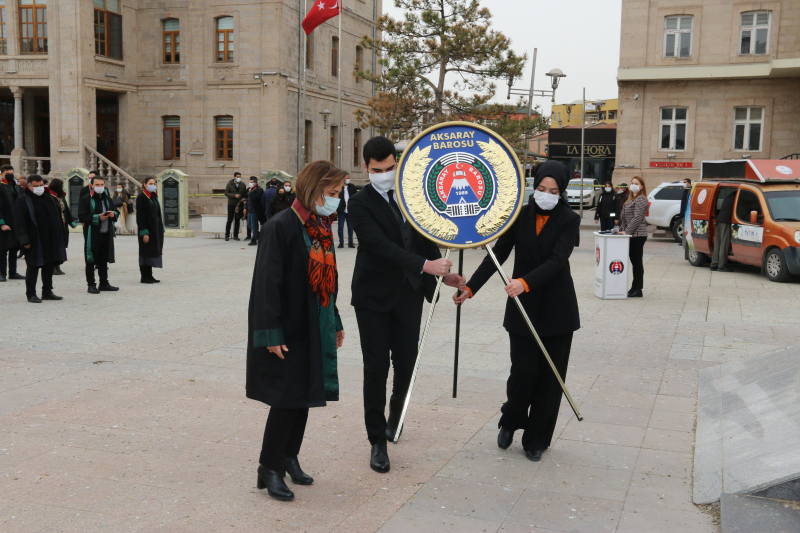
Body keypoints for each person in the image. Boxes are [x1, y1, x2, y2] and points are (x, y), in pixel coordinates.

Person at [349, 136, 463, 474]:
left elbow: (426, 240)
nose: (384, 174)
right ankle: (377, 442)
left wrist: (444, 275)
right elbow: (379, 245)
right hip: (373, 298)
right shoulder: (359, 203)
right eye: (376, 170)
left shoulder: (414, 198)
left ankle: (394, 421)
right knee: (376, 368)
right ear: (366, 168)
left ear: (397, 165)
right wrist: (425, 265)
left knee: (406, 363)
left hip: (410, 294)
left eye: (389, 168)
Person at [454, 160, 580, 462]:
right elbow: (496, 255)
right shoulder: (519, 216)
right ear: (533, 187)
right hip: (522, 308)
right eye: (540, 188)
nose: (546, 194)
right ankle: (510, 420)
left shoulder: (569, 219)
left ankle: (536, 438)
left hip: (556, 308)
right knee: (523, 373)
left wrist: (525, 282)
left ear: (561, 191)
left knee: (549, 379)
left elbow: (557, 260)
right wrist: (471, 288)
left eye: (553, 190)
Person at [247, 160, 347, 502]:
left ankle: (289, 457)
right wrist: (270, 334)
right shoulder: (281, 226)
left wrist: (335, 320)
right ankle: (269, 466)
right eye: (332, 193)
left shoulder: (319, 227)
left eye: (339, 193)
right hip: (287, 328)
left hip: (313, 323)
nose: (337, 199)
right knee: (286, 399)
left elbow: (327, 283)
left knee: (304, 395)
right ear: (313, 189)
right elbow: (266, 285)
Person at [12, 175, 67, 303]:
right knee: (33, 266)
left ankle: (47, 291)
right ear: (29, 187)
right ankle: (31, 294)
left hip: (50, 239)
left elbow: (58, 218)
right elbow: (19, 222)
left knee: (48, 265)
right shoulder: (23, 200)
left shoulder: (50, 198)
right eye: (36, 186)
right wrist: (24, 240)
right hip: (34, 239)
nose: (39, 188)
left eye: (41, 185)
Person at [78, 175, 119, 294]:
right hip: (93, 234)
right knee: (91, 260)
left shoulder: (107, 198)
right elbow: (82, 216)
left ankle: (104, 283)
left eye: (102, 185)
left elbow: (115, 210)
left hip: (106, 233)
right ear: (92, 186)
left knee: (103, 259)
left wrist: (113, 214)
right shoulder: (86, 199)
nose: (100, 187)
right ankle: (91, 284)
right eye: (97, 185)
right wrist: (97, 217)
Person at [619, 176, 648, 298]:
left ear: (641, 186)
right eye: (632, 183)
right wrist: (620, 230)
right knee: (634, 261)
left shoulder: (641, 199)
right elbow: (625, 218)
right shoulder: (631, 199)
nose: (634, 185)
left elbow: (637, 218)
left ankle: (638, 289)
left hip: (637, 235)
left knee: (636, 262)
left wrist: (627, 232)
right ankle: (634, 287)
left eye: (636, 183)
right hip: (631, 234)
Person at [136, 177, 165, 283]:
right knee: (146, 251)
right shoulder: (141, 197)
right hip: (147, 229)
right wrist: (144, 233)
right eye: (150, 183)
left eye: (154, 183)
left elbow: (157, 214)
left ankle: (150, 275)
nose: (153, 185)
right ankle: (144, 276)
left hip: (155, 229)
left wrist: (161, 228)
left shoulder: (153, 196)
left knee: (152, 251)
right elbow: (141, 216)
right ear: (144, 184)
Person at [48, 179, 78, 276]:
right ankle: (52, 267)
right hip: (54, 227)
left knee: (62, 245)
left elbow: (66, 210)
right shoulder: (49, 197)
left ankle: (58, 266)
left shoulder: (60, 197)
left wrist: (72, 222)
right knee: (55, 246)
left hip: (62, 226)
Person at [0, 164, 24, 282]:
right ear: (1, 174)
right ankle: (2, 273)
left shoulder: (17, 187)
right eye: (7, 174)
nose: (10, 176)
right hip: (5, 222)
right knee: (3, 249)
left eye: (11, 173)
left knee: (15, 248)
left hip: (16, 223)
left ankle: (13, 272)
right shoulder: (0, 187)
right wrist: (1, 223)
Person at [710, 192, 735, 273]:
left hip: (719, 220)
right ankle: (721, 265)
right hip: (725, 222)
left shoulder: (730, 195)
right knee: (724, 244)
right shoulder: (739, 196)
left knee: (718, 243)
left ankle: (714, 264)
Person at [224, 172, 247, 241]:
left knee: (237, 220)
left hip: (239, 205)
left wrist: (243, 200)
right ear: (234, 177)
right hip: (231, 204)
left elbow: (244, 194)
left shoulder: (243, 185)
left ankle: (236, 235)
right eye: (237, 176)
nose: (238, 178)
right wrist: (234, 195)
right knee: (230, 220)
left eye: (240, 176)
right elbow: (226, 193)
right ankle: (227, 235)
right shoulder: (229, 184)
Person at [337, 174, 357, 248]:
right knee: (340, 227)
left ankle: (350, 242)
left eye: (349, 178)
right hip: (341, 210)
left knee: (350, 227)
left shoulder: (352, 187)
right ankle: (341, 242)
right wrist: (338, 209)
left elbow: (355, 197)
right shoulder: (339, 187)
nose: (348, 179)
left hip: (350, 210)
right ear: (343, 179)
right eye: (347, 178)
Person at [246, 177, 267, 246]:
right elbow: (247, 200)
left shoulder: (259, 190)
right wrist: (245, 208)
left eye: (251, 182)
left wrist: (250, 192)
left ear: (255, 182)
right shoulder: (249, 190)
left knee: (254, 225)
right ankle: (260, 236)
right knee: (249, 224)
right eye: (250, 182)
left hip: (255, 210)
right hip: (250, 210)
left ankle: (254, 239)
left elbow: (255, 198)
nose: (250, 183)